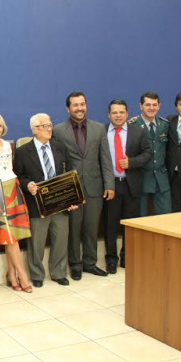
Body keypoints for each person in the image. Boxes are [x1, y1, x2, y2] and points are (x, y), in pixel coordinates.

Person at [53, 91, 114, 280]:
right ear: (68, 108)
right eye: (75, 105)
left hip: (95, 186)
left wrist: (109, 184)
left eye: (82, 104)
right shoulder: (58, 130)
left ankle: (90, 263)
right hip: (71, 188)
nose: (79, 108)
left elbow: (105, 158)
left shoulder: (98, 129)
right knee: (73, 228)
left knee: (91, 227)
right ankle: (75, 265)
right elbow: (56, 161)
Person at [15, 113, 74, 287]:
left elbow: (68, 173)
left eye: (49, 125)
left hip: (60, 202)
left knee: (61, 238)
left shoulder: (60, 147)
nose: (48, 129)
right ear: (34, 130)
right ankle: (37, 275)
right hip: (37, 204)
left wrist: (71, 198)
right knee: (37, 242)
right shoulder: (23, 151)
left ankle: (58, 272)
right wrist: (28, 185)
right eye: (43, 126)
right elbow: (19, 176)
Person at [0, 112, 32, 292]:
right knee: (9, 236)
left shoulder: (9, 145)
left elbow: (11, 169)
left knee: (13, 236)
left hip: (13, 188)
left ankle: (11, 274)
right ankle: (22, 274)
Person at [104, 100, 152, 273]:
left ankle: (127, 257)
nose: (118, 115)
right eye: (114, 112)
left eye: (121, 112)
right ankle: (111, 259)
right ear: (109, 114)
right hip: (111, 186)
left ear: (127, 113)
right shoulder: (101, 132)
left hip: (131, 184)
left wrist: (131, 162)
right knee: (110, 224)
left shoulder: (137, 132)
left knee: (130, 224)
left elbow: (148, 153)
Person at [128, 91, 172, 216]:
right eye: (147, 105)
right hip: (140, 178)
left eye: (154, 105)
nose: (151, 108)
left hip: (161, 178)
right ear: (140, 106)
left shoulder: (165, 125)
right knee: (140, 219)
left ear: (159, 106)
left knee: (166, 218)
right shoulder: (132, 125)